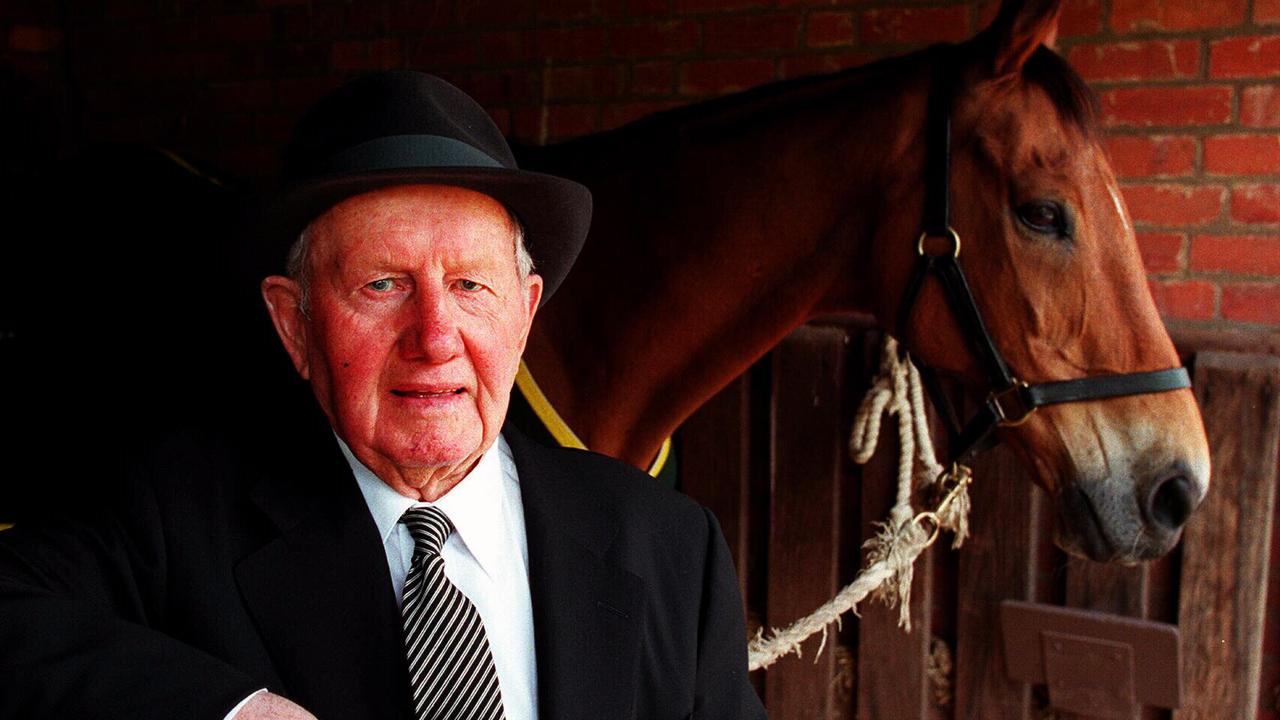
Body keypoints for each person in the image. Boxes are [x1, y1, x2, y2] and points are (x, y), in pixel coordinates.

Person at [0, 71, 766, 720]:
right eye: (382, 285)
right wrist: (228, 713)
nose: (434, 336)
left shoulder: (669, 547)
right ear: (295, 323)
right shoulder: (172, 515)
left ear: (525, 313)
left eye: (470, 286)